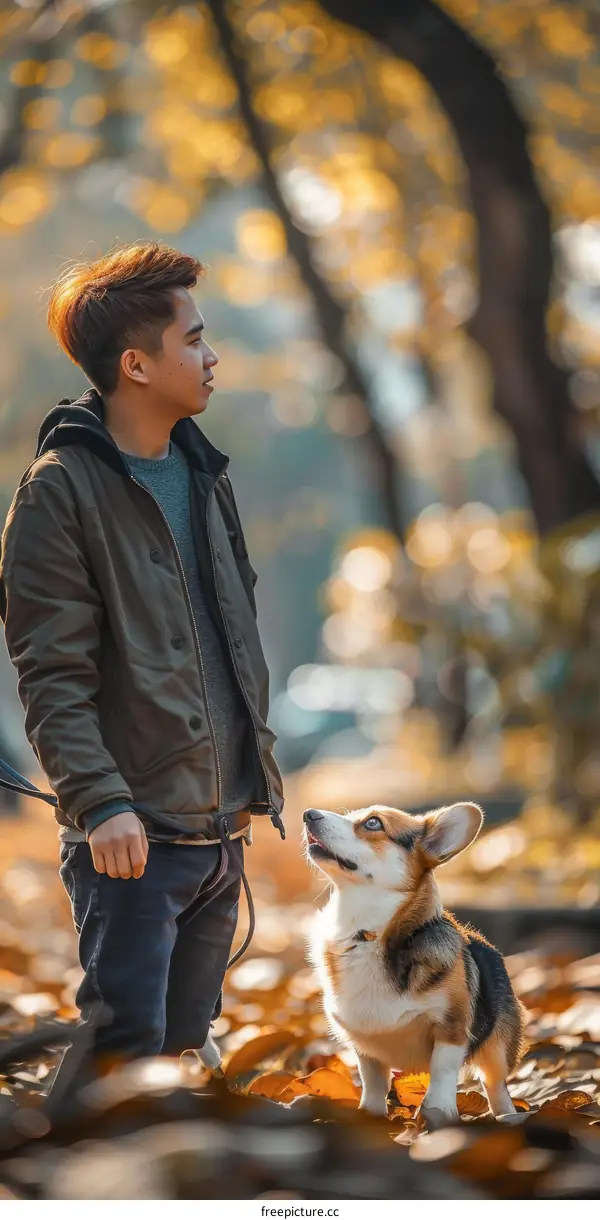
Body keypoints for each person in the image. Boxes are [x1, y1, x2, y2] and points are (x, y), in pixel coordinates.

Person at [0, 240, 285, 1081]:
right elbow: (51, 675)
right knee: (122, 1050)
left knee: (183, 1051)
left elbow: (228, 638)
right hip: (131, 836)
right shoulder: (59, 492)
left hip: (216, 828)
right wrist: (98, 803)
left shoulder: (205, 475)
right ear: (136, 363)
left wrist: (248, 785)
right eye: (193, 338)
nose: (211, 355)